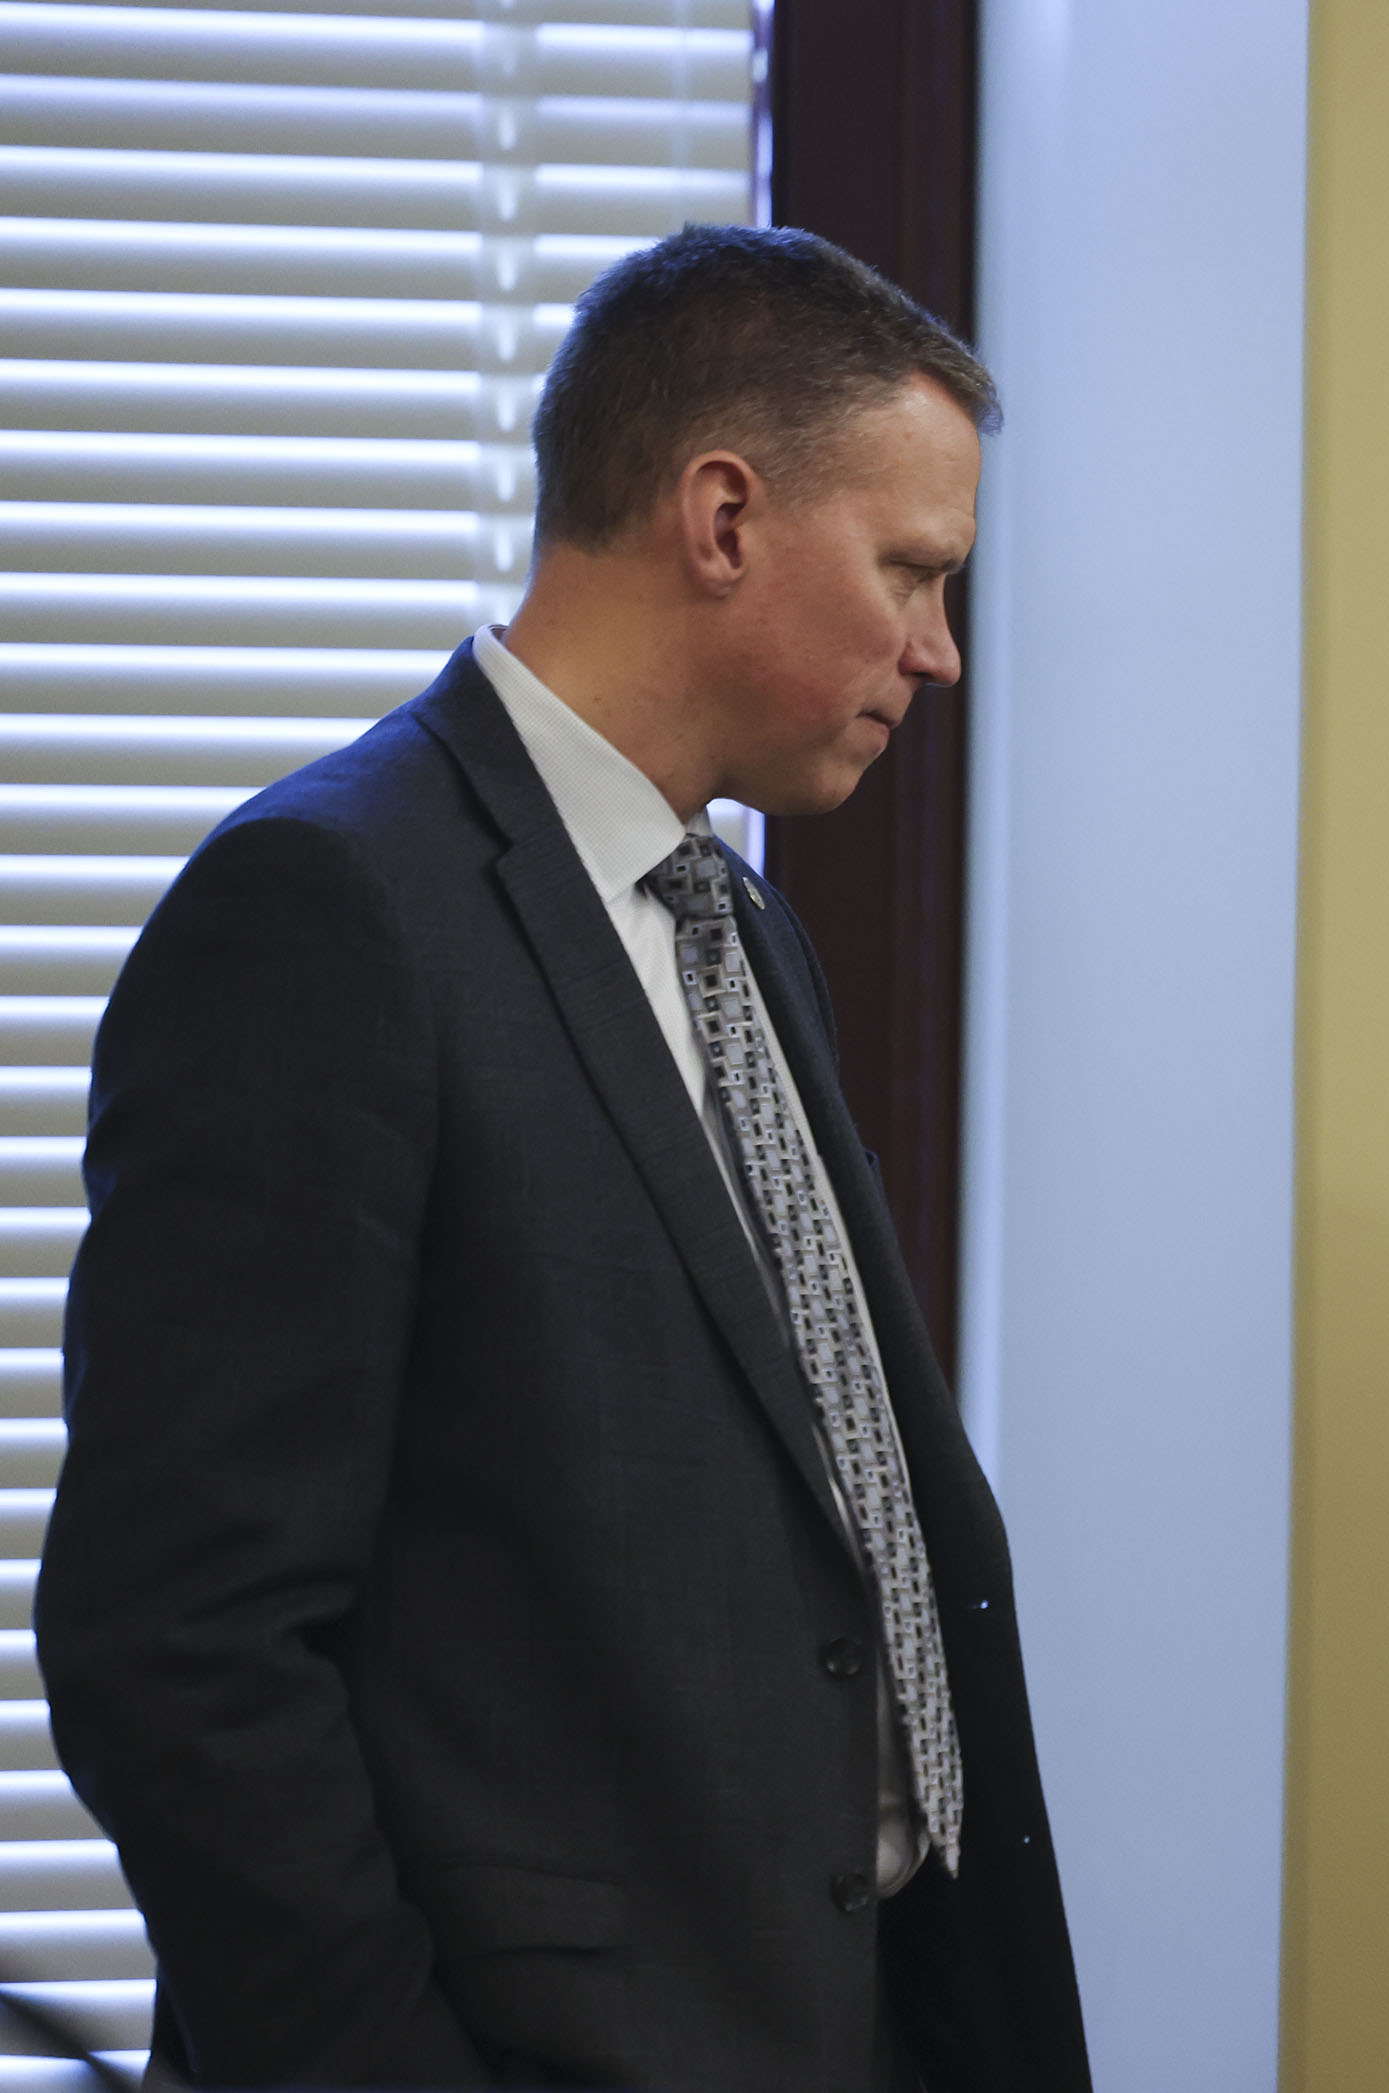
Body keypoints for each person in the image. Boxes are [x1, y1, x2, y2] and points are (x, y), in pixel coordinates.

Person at [35, 227, 1091, 2092]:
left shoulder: (741, 929)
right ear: (723, 514)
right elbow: (179, 1639)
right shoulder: (326, 909)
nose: (938, 649)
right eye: (914, 572)